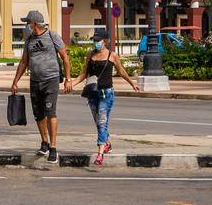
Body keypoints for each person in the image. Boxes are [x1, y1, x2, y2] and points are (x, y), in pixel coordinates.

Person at [65, 36, 136, 166]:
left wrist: (132, 83)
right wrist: (72, 83)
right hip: (92, 93)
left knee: (102, 122)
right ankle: (107, 143)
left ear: (105, 42)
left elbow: (121, 71)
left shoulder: (112, 55)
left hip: (106, 93)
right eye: (94, 41)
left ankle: (100, 153)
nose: (96, 43)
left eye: (98, 41)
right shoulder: (90, 54)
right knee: (98, 122)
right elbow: (84, 73)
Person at [10, 10, 69, 162]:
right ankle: (45, 142)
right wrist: (15, 81)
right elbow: (24, 61)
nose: (26, 26)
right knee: (38, 114)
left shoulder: (52, 36)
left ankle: (54, 148)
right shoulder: (29, 40)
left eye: (27, 23)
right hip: (35, 81)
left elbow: (65, 57)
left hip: (51, 79)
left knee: (51, 112)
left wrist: (68, 79)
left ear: (34, 23)